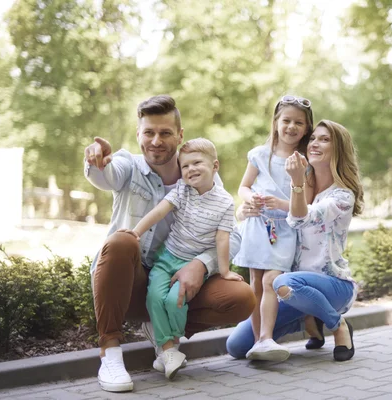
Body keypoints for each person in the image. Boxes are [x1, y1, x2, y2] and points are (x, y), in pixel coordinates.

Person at [84, 95, 255, 392]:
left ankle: (162, 334)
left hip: (177, 278)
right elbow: (107, 175)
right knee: (123, 242)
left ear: (180, 135)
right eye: (148, 132)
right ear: (138, 134)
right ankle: (110, 353)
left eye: (165, 132)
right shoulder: (128, 164)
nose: (156, 141)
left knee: (241, 297)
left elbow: (232, 234)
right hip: (130, 284)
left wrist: (202, 264)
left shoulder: (200, 175)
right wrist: (96, 161)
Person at [226, 120, 364, 363]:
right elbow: (267, 216)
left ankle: (337, 323)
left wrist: (296, 183)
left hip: (332, 285)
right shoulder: (306, 186)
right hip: (295, 290)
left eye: (324, 139)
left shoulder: (342, 195)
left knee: (281, 281)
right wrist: (245, 211)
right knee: (237, 345)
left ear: (338, 149)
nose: (315, 143)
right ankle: (310, 318)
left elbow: (300, 218)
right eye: (313, 138)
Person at [119, 138, 244, 380]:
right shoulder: (181, 191)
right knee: (155, 296)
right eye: (185, 166)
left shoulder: (225, 202)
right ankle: (168, 352)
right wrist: (136, 232)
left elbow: (222, 239)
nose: (190, 170)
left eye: (197, 163)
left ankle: (170, 345)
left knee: (174, 300)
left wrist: (225, 270)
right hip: (167, 258)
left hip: (191, 263)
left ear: (215, 166)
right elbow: (158, 212)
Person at [233, 95, 313, 361]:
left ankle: (267, 337)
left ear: (306, 127)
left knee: (271, 280)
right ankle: (258, 342)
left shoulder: (304, 162)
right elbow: (243, 186)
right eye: (286, 120)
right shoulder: (259, 155)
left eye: (298, 123)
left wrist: (281, 202)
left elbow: (306, 203)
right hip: (258, 225)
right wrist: (249, 199)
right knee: (256, 282)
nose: (291, 127)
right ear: (276, 122)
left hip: (285, 229)